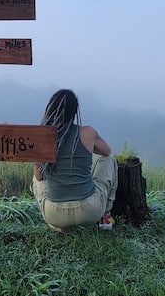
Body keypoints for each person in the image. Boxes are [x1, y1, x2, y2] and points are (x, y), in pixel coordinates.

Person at [32, 89, 118, 231]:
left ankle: (60, 226)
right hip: (90, 210)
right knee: (109, 161)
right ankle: (105, 219)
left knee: (36, 179)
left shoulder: (42, 138)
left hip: (54, 214)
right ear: (74, 111)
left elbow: (39, 176)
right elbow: (107, 152)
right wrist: (87, 148)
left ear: (50, 108)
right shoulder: (87, 133)